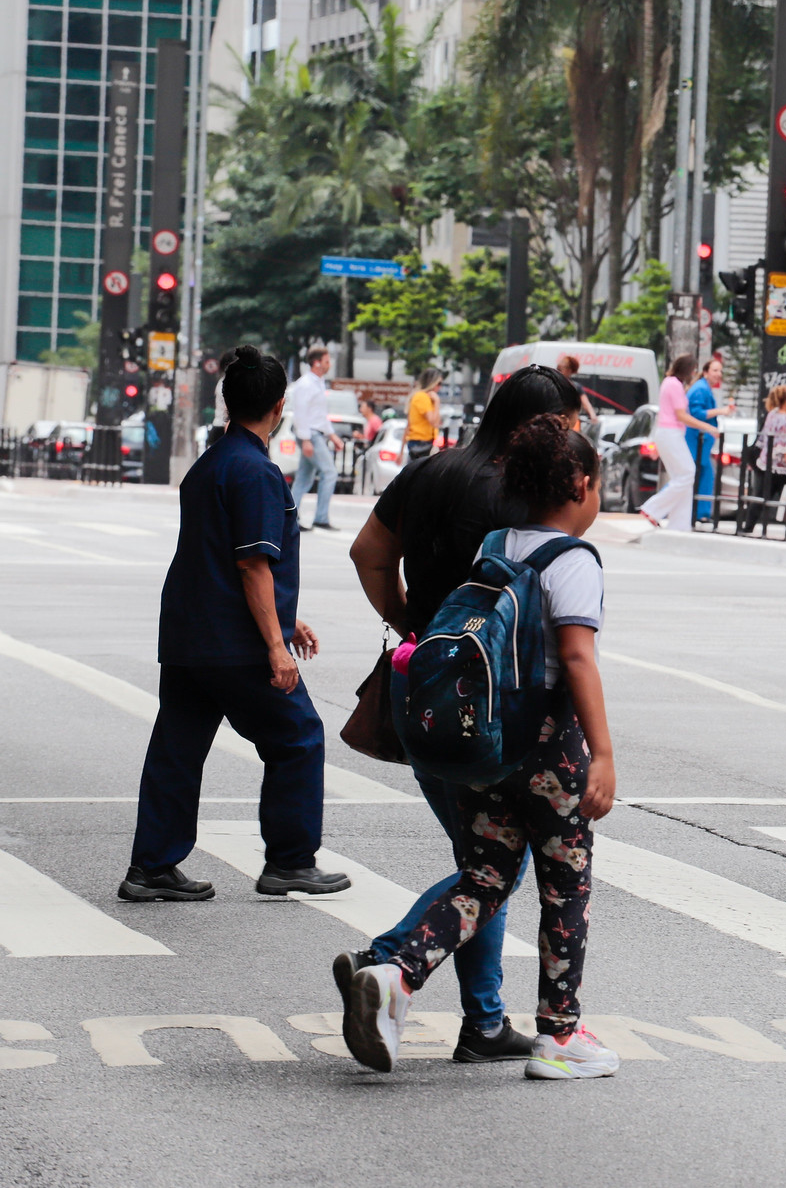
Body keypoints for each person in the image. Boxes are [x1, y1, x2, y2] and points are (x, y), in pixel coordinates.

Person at [343, 415, 621, 1080]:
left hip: (488, 742)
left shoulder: (498, 542)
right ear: (581, 484)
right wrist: (603, 754)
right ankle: (559, 1035)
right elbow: (577, 658)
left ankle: (397, 971)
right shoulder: (573, 560)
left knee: (485, 876)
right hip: (550, 750)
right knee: (565, 888)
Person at [120, 346, 350, 903]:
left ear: (228, 402)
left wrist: (287, 622)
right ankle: (291, 861)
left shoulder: (210, 464)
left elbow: (222, 560)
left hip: (187, 636)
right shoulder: (256, 472)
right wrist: (276, 643)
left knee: (178, 748)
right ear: (279, 406)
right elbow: (251, 562)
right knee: (297, 737)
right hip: (234, 644)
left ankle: (151, 866)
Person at [640, 355, 723, 528]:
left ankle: (679, 524)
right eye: (692, 369)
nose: (694, 373)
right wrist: (708, 428)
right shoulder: (674, 385)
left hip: (668, 433)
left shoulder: (669, 383)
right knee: (687, 473)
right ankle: (651, 509)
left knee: (683, 477)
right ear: (687, 369)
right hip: (672, 433)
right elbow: (682, 415)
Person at [742, 382, 786, 537]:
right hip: (782, 466)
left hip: (769, 463)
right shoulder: (785, 420)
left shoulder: (772, 414)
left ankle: (748, 526)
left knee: (762, 496)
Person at [288, 346, 343, 531]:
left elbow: (319, 414)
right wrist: (305, 440)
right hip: (310, 434)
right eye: (327, 361)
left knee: (304, 477)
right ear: (317, 362)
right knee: (329, 473)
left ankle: (290, 517)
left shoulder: (318, 383)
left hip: (313, 433)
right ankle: (320, 517)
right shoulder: (305, 384)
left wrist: (332, 435)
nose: (329, 365)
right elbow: (301, 414)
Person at [687, 354, 731, 523]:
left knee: (702, 476)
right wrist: (721, 411)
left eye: (720, 371)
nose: (718, 374)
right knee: (693, 476)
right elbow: (696, 413)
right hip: (697, 440)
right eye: (715, 370)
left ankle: (701, 513)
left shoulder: (704, 389)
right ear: (705, 372)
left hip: (702, 441)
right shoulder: (700, 389)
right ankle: (699, 513)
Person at [404, 368, 443, 461]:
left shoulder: (423, 397)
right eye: (439, 384)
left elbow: (408, 426)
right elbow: (434, 422)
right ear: (431, 383)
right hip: (421, 444)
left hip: (421, 443)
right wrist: (437, 402)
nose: (439, 387)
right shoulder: (422, 397)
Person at [556, 352, 598, 432]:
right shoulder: (553, 383)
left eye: (560, 369)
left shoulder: (575, 387)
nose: (558, 371)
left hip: (568, 423)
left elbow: (586, 404)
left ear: (569, 370)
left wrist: (593, 416)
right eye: (558, 368)